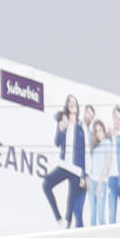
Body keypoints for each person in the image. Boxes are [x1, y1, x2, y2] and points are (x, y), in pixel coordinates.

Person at [41, 96, 88, 228]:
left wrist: (83, 175)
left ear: (77, 107)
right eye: (70, 103)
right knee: (46, 184)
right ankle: (58, 218)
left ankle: (66, 227)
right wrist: (61, 129)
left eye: (74, 103)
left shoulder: (80, 128)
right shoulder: (63, 121)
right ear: (67, 106)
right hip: (63, 165)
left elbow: (83, 153)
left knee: (70, 204)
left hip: (76, 170)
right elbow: (57, 142)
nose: (72, 104)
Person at [100, 105, 120, 226]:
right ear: (112, 118)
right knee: (111, 216)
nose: (117, 121)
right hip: (112, 180)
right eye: (115, 118)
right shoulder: (108, 137)